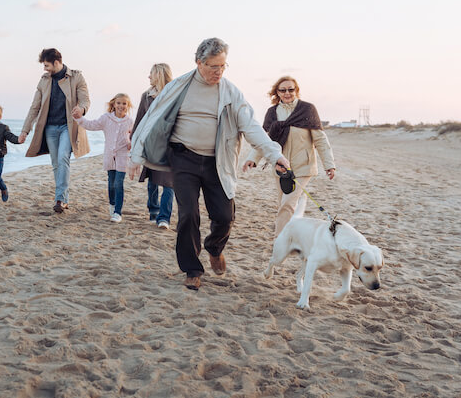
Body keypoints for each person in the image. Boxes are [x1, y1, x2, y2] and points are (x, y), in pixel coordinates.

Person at [129, 38, 291, 291]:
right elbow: (151, 119)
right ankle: (192, 269)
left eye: (223, 66)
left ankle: (214, 248)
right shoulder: (178, 87)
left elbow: (251, 127)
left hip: (218, 161)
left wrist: (274, 155)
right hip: (183, 158)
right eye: (213, 66)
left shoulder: (230, 92)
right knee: (188, 215)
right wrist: (136, 157)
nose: (219, 72)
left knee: (225, 217)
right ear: (199, 63)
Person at [242, 76, 335, 236]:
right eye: (282, 90)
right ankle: (293, 235)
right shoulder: (272, 113)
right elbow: (264, 140)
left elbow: (320, 139)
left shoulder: (307, 110)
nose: (287, 93)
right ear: (276, 93)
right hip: (281, 167)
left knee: (287, 204)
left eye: (291, 89)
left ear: (296, 90)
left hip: (303, 166)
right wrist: (253, 158)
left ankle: (280, 240)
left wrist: (329, 164)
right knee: (284, 204)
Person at [19, 48, 91, 213]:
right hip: (50, 127)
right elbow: (34, 107)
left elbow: (85, 99)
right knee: (56, 164)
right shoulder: (44, 80)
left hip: (68, 125)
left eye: (46, 65)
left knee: (63, 157)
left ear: (56, 62)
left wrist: (81, 109)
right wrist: (25, 131)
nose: (45, 68)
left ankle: (59, 199)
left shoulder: (76, 77)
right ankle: (63, 198)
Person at [73, 93, 134, 223]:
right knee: (111, 184)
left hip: (122, 156)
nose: (121, 106)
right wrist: (79, 119)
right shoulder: (106, 118)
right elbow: (91, 125)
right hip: (109, 156)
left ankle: (118, 212)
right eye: (118, 103)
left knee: (119, 183)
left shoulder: (130, 121)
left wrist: (131, 143)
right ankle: (112, 204)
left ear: (128, 106)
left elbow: (134, 136)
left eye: (124, 103)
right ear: (113, 104)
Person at [131, 63, 175, 230]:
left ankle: (164, 217)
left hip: (170, 145)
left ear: (159, 74)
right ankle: (153, 211)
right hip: (150, 144)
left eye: (151, 74)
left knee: (169, 182)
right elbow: (140, 119)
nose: (148, 77)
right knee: (152, 181)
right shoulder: (146, 96)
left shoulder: (174, 94)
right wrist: (133, 140)